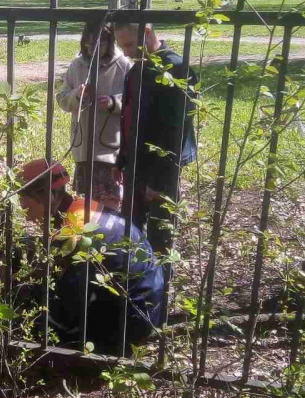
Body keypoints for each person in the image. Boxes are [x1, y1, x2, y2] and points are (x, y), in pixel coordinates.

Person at [17, 159, 164, 354]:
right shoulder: (85, 208)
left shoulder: (73, 236)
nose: (26, 217)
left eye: (27, 207)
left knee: (42, 314)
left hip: (130, 324)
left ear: (47, 196)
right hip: (150, 304)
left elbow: (69, 308)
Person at [113, 23, 198, 258]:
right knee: (130, 228)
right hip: (136, 163)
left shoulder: (176, 69)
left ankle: (159, 278)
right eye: (122, 47)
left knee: (160, 234)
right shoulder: (137, 70)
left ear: (147, 31)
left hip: (162, 169)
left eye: (130, 44)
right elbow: (130, 119)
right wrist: (122, 159)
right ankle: (134, 275)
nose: (126, 53)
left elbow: (176, 132)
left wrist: (158, 182)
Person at [56, 19, 132, 210]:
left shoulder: (123, 65)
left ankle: (109, 226)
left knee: (110, 202)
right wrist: (77, 95)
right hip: (83, 148)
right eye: (88, 45)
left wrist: (113, 103)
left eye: (100, 45)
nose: (93, 50)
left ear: (110, 42)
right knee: (87, 203)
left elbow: (134, 101)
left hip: (110, 150)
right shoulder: (77, 65)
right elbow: (62, 99)